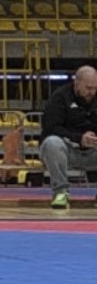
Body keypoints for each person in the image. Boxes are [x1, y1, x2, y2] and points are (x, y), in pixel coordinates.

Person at [39, 65, 97, 209]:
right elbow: (50, 127)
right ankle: (61, 192)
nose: (91, 92)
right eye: (88, 88)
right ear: (76, 83)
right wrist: (79, 138)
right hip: (67, 148)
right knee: (52, 142)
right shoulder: (60, 97)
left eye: (95, 88)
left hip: (93, 150)